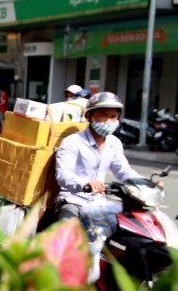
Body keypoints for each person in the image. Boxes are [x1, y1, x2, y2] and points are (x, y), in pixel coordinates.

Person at [55, 92, 142, 220]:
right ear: (89, 116)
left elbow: (123, 171)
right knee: (67, 231)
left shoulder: (114, 143)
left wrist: (145, 183)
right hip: (73, 200)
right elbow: (63, 174)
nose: (108, 121)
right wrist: (86, 184)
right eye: (103, 115)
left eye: (113, 116)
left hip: (99, 202)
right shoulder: (72, 141)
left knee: (129, 227)